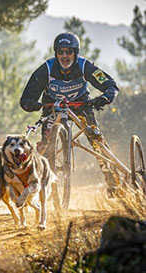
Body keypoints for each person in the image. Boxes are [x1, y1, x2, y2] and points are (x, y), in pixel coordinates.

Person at [20, 32, 119, 197]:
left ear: (75, 52)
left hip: (81, 105)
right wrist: (32, 104)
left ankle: (113, 182)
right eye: (61, 52)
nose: (64, 56)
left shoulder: (85, 66)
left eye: (69, 51)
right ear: (56, 52)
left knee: (96, 140)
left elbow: (110, 84)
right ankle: (41, 185)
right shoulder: (46, 69)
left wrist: (105, 97)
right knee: (45, 144)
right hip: (53, 107)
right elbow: (26, 98)